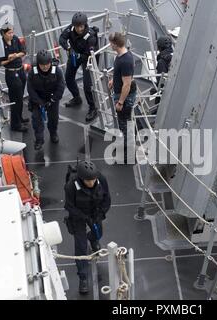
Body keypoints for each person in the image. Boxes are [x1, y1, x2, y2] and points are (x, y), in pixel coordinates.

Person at [64, 160, 111, 294]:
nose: (91, 183)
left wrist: (100, 214)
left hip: (95, 212)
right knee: (81, 246)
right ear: (81, 178)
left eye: (93, 179)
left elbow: (107, 199)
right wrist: (84, 218)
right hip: (78, 216)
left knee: (98, 234)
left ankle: (93, 239)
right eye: (88, 180)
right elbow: (69, 206)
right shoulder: (71, 186)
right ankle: (83, 277)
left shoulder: (101, 179)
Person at [59, 12, 99, 122]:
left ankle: (93, 108)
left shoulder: (90, 37)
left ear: (85, 25)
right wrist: (68, 48)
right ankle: (76, 97)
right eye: (76, 26)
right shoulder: (71, 29)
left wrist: (78, 55)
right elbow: (62, 39)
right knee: (68, 77)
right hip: (74, 55)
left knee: (87, 86)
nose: (78, 29)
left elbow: (89, 54)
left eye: (81, 26)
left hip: (87, 58)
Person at [27, 50, 65, 150]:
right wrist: (39, 103)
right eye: (42, 65)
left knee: (53, 119)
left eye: (47, 64)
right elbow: (30, 89)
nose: (45, 67)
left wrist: (52, 100)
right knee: (36, 120)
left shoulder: (57, 71)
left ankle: (53, 134)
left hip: (52, 99)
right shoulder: (32, 73)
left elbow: (61, 87)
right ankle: (39, 140)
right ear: (38, 64)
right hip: (37, 100)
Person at [108, 32, 137, 164]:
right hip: (120, 93)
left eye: (111, 43)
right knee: (123, 123)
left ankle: (129, 154)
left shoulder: (125, 60)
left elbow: (127, 84)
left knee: (125, 124)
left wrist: (120, 102)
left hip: (124, 96)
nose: (110, 45)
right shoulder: (121, 56)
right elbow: (119, 73)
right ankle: (125, 147)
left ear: (115, 44)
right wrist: (113, 80)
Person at [0, 22, 28, 132]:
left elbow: (23, 51)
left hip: (20, 70)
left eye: (12, 32)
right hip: (11, 73)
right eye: (9, 33)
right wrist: (8, 60)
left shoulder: (15, 39)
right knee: (16, 99)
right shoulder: (0, 45)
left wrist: (15, 56)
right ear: (3, 34)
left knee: (20, 96)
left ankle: (19, 118)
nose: (11, 34)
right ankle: (15, 125)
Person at [151, 35, 173, 112]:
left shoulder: (162, 61)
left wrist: (154, 90)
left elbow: (161, 82)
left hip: (166, 92)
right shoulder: (173, 56)